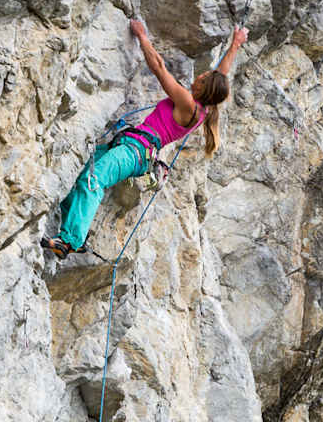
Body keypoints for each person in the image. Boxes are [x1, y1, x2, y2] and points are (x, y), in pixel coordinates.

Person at [40, 20, 248, 259]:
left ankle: (70, 241)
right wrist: (235, 44)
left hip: (136, 151)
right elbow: (221, 75)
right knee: (82, 173)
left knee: (94, 179)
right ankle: (73, 231)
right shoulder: (205, 108)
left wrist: (142, 36)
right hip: (133, 147)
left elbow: (159, 67)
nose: (200, 76)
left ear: (205, 89)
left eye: (203, 78)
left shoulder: (188, 103)